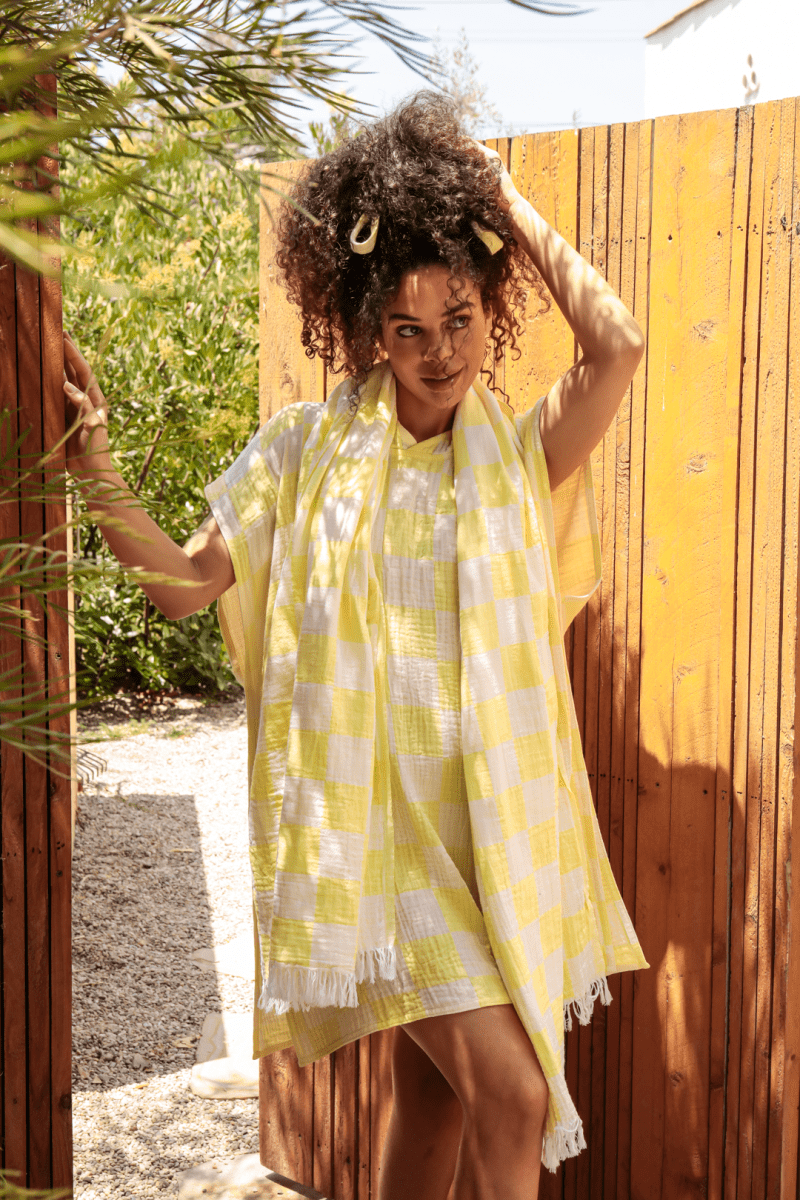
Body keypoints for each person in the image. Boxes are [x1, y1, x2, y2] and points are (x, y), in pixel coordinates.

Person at [64, 93, 648, 1200]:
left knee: (434, 1097)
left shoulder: (514, 456)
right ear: (370, 329)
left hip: (482, 838)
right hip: (372, 846)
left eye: (461, 319)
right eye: (409, 329)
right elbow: (186, 588)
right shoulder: (301, 452)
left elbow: (616, 342)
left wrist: (500, 202)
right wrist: (93, 467)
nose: (441, 354)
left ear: (489, 310)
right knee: (514, 1097)